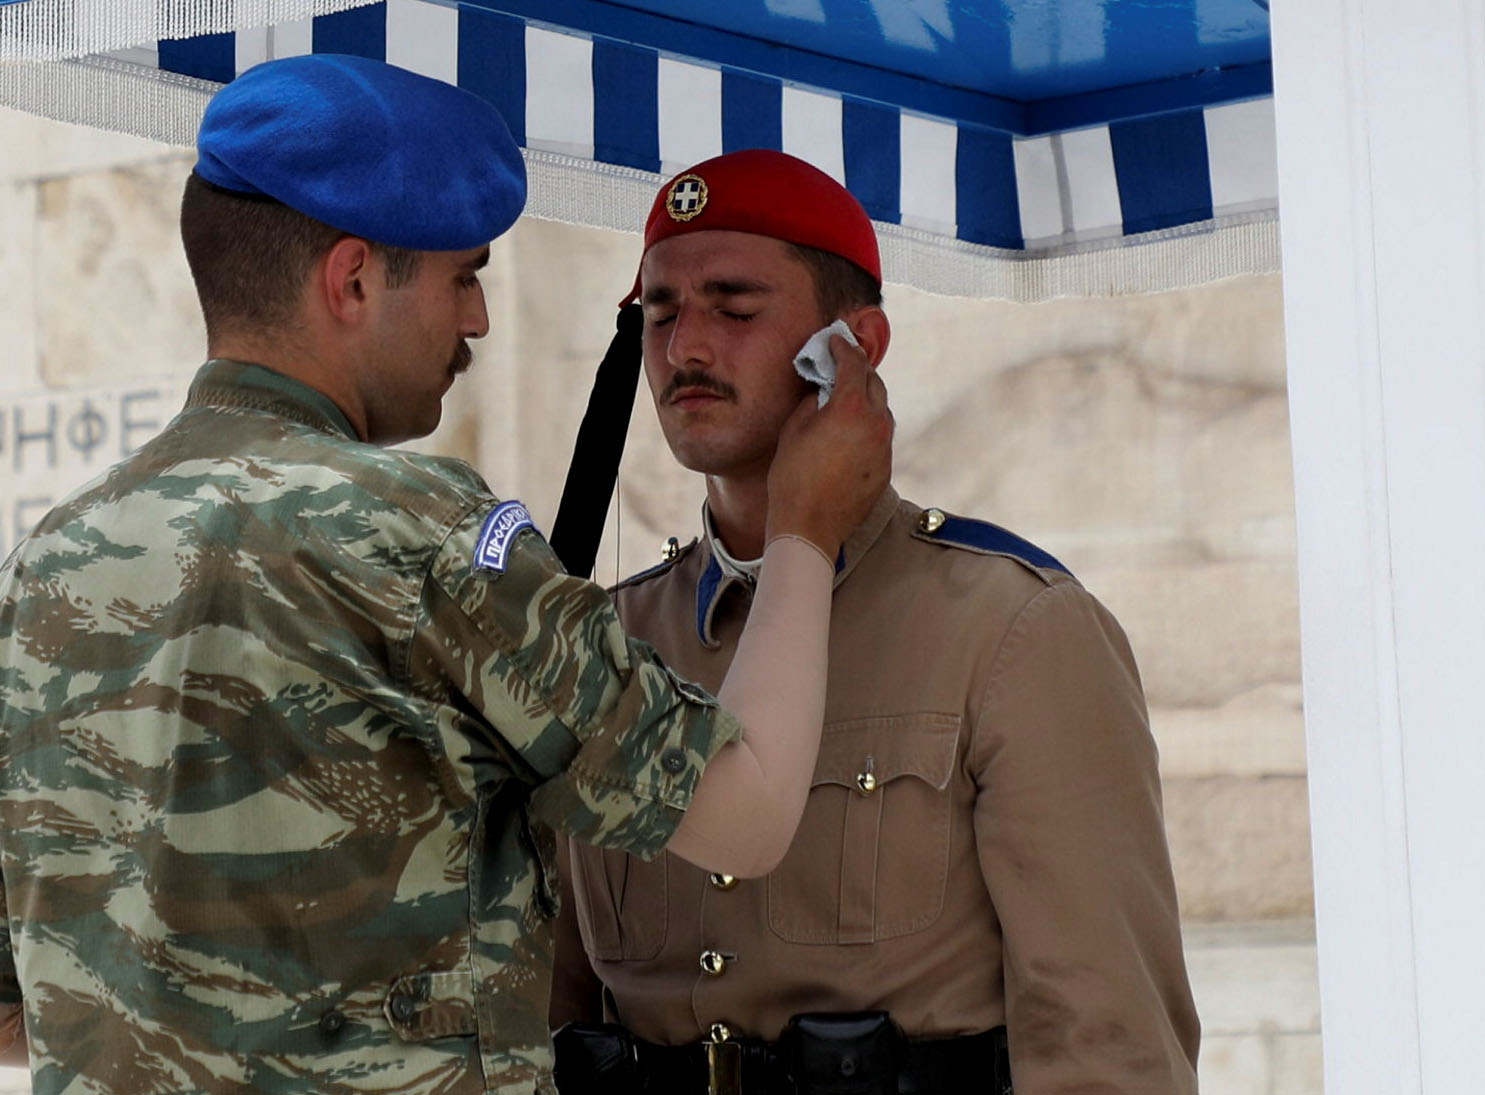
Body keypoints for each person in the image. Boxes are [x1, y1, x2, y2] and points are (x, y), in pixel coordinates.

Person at [0, 61, 891, 1095]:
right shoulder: (418, 528)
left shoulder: (52, 557)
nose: (474, 320)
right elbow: (748, 811)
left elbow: (20, 1008)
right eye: (462, 276)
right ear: (352, 280)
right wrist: (803, 528)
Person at [550, 149, 1200, 1094]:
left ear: (855, 344)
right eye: (658, 313)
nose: (685, 346)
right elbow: (555, 1005)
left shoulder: (1011, 629)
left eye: (734, 308)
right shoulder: (607, 638)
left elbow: (1108, 1046)